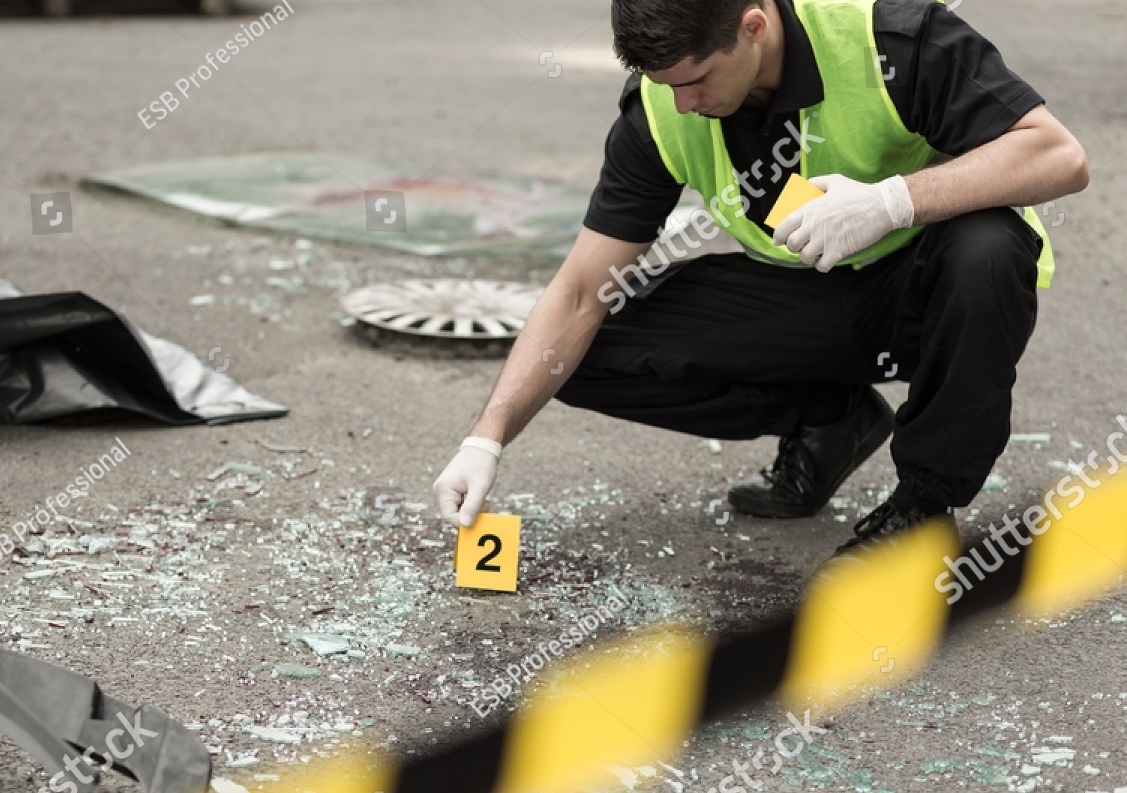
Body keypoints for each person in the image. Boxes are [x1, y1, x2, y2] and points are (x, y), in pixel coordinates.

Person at [432, 0, 1088, 555]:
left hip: (927, 290)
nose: (683, 105)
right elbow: (578, 291)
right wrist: (485, 438)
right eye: (665, 85)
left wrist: (891, 201)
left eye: (696, 81)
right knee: (575, 353)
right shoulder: (662, 109)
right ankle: (831, 419)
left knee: (989, 247)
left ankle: (924, 504)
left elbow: (1058, 153)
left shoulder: (887, 36)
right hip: (813, 296)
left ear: (754, 25)